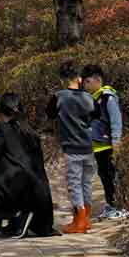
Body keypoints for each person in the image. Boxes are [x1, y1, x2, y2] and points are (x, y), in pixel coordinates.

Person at [0, 92, 57, 239]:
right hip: (39, 196)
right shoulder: (31, 132)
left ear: (0, 111)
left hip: (13, 191)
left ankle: (17, 214)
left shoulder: (4, 130)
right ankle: (18, 221)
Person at [45, 61, 96, 235]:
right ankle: (86, 218)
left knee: (74, 184)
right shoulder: (89, 98)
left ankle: (79, 220)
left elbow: (50, 113)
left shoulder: (59, 96)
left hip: (71, 147)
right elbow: (96, 115)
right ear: (79, 79)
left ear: (62, 79)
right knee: (86, 183)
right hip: (88, 146)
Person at [81, 63, 128, 223]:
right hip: (97, 146)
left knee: (111, 176)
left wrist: (116, 140)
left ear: (97, 80)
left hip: (107, 144)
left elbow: (116, 120)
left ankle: (118, 206)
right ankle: (111, 205)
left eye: (88, 82)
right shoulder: (92, 98)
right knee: (104, 176)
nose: (85, 85)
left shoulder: (108, 97)